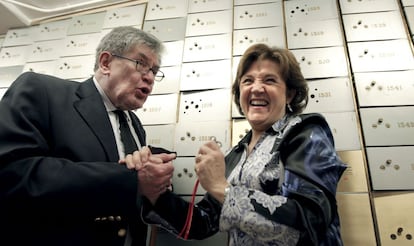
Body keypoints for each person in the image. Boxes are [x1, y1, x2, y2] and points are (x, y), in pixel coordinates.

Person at [129, 43, 347, 245]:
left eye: (269, 80)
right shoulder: (236, 153)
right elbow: (201, 224)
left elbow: (312, 221)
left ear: (289, 94)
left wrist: (219, 186)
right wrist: (154, 190)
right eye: (248, 81)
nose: (256, 88)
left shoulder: (305, 131)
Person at [0, 26, 176, 246]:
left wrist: (157, 181)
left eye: (154, 70)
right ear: (105, 63)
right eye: (141, 64)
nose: (150, 77)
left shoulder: (135, 125)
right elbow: (13, 175)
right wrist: (131, 180)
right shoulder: (41, 90)